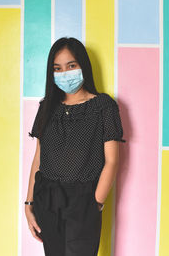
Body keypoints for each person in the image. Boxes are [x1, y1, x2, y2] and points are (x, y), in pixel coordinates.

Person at [24, 37, 126, 256]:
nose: (65, 73)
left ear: (83, 66)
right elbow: (38, 158)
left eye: (71, 66)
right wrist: (28, 203)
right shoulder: (47, 108)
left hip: (83, 201)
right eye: (57, 68)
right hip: (47, 199)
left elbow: (112, 161)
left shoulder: (103, 107)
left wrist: (95, 204)